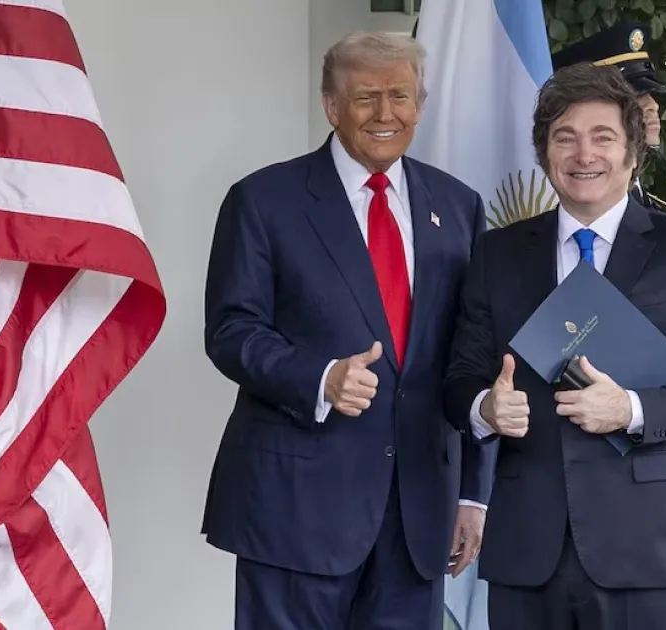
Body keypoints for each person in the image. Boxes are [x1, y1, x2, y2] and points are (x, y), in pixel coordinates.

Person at [200, 30, 496, 629]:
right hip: (297, 509)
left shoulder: (458, 205)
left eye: (400, 96)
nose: (386, 114)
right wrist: (321, 378)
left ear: (420, 105)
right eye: (366, 97)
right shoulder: (263, 200)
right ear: (332, 106)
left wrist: (472, 492)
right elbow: (231, 329)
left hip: (418, 510)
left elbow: (473, 354)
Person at [444, 62, 666, 630]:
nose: (584, 154)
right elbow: (460, 375)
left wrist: (629, 408)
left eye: (602, 137)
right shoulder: (497, 253)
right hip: (528, 549)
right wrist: (484, 408)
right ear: (544, 153)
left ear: (632, 152)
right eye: (565, 138)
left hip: (649, 548)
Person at [552, 21, 666, 215]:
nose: (653, 105)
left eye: (649, 94)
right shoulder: (563, 206)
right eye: (632, 97)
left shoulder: (654, 209)